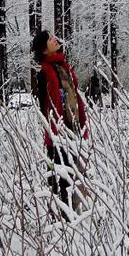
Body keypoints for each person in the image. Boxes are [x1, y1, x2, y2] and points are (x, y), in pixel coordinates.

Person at [32, 29, 87, 214]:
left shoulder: (65, 68)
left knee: (76, 176)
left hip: (74, 130)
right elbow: (43, 109)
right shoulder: (44, 74)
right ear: (44, 50)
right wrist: (54, 132)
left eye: (53, 37)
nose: (55, 39)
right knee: (60, 180)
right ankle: (62, 220)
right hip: (57, 136)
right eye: (49, 39)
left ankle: (74, 216)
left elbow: (75, 96)